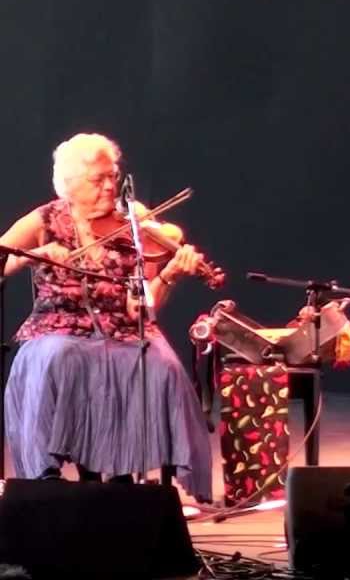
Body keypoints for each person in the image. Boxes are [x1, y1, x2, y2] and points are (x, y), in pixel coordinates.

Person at [1, 132, 213, 501]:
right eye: (98, 180)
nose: (109, 187)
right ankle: (45, 478)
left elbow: (141, 308)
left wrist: (169, 274)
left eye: (113, 176)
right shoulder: (44, 220)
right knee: (59, 357)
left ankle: (120, 471)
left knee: (162, 365)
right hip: (58, 327)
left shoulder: (135, 222)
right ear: (69, 185)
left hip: (123, 328)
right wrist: (38, 254)